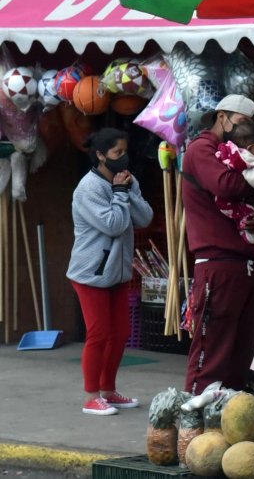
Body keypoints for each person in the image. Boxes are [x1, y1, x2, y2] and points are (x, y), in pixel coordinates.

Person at [182, 94, 254, 394]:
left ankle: (228, 412)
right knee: (212, 353)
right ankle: (197, 414)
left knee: (240, 352)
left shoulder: (237, 154)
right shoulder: (201, 148)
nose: (245, 131)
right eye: (241, 122)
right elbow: (224, 185)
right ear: (222, 117)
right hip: (218, 262)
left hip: (247, 263)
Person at [67, 127, 154, 415]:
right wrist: (119, 192)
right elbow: (114, 225)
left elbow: (144, 218)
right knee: (99, 333)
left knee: (120, 333)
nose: (123, 157)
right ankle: (92, 396)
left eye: (125, 151)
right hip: (91, 272)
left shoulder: (127, 180)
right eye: (117, 152)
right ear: (101, 155)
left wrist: (127, 190)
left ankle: (108, 390)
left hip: (117, 272)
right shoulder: (88, 189)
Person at [214, 121, 254, 245]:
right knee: (247, 213)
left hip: (233, 200)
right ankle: (245, 231)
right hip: (231, 203)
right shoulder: (245, 162)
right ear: (249, 148)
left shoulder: (232, 152)